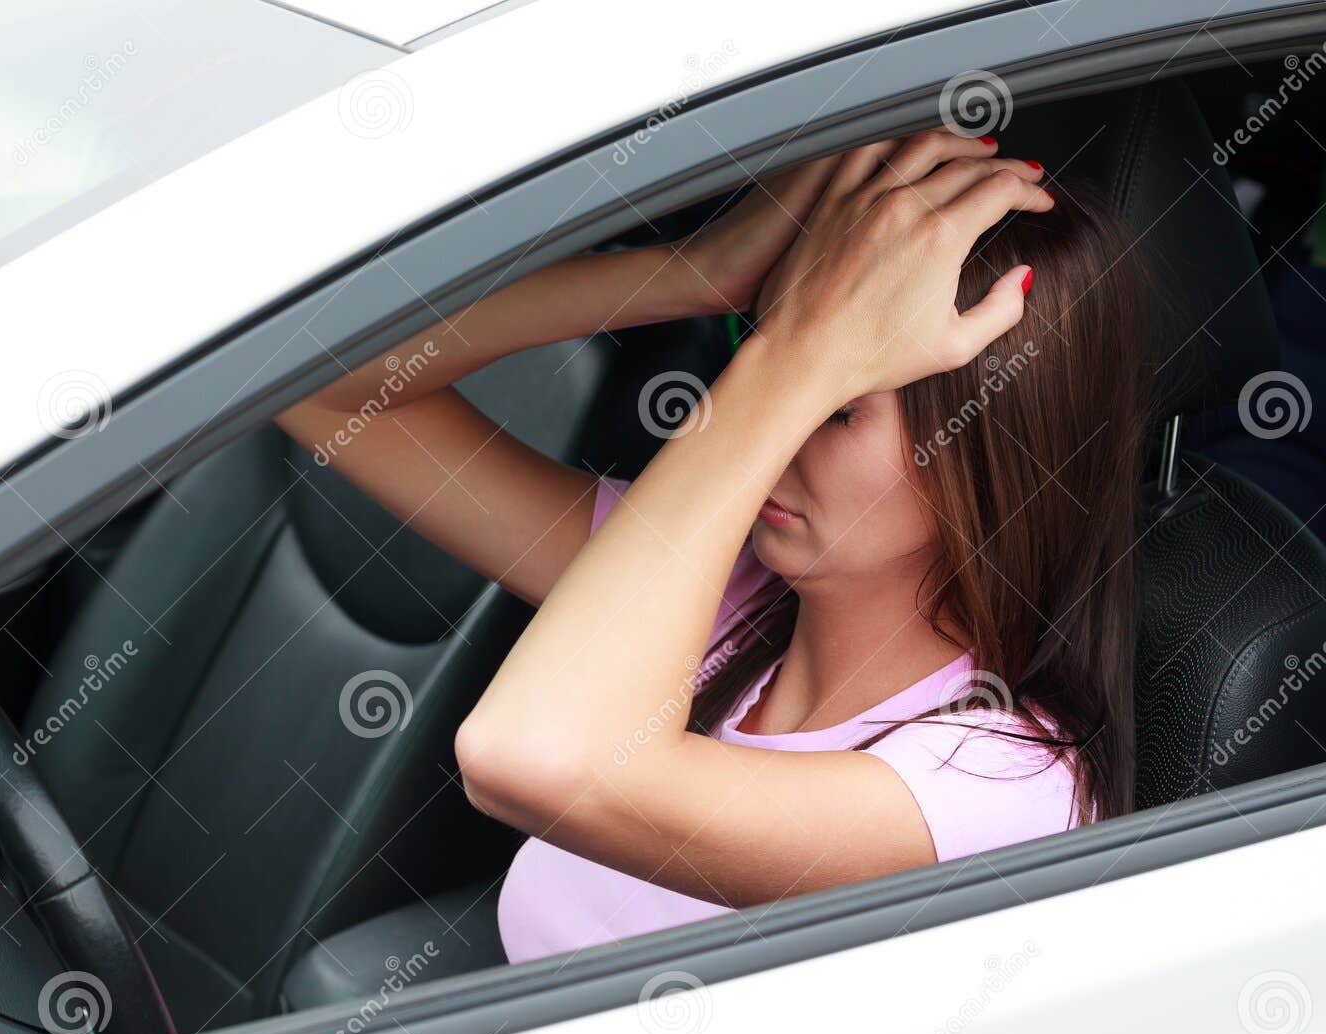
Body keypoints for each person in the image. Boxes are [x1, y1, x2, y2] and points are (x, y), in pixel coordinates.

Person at [277, 129, 1149, 963]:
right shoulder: (731, 599)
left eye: (838, 400)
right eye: (759, 353)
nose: (771, 423)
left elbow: (524, 758)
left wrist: (797, 356)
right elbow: (318, 385)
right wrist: (683, 275)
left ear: (990, 459)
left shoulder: (998, 789)